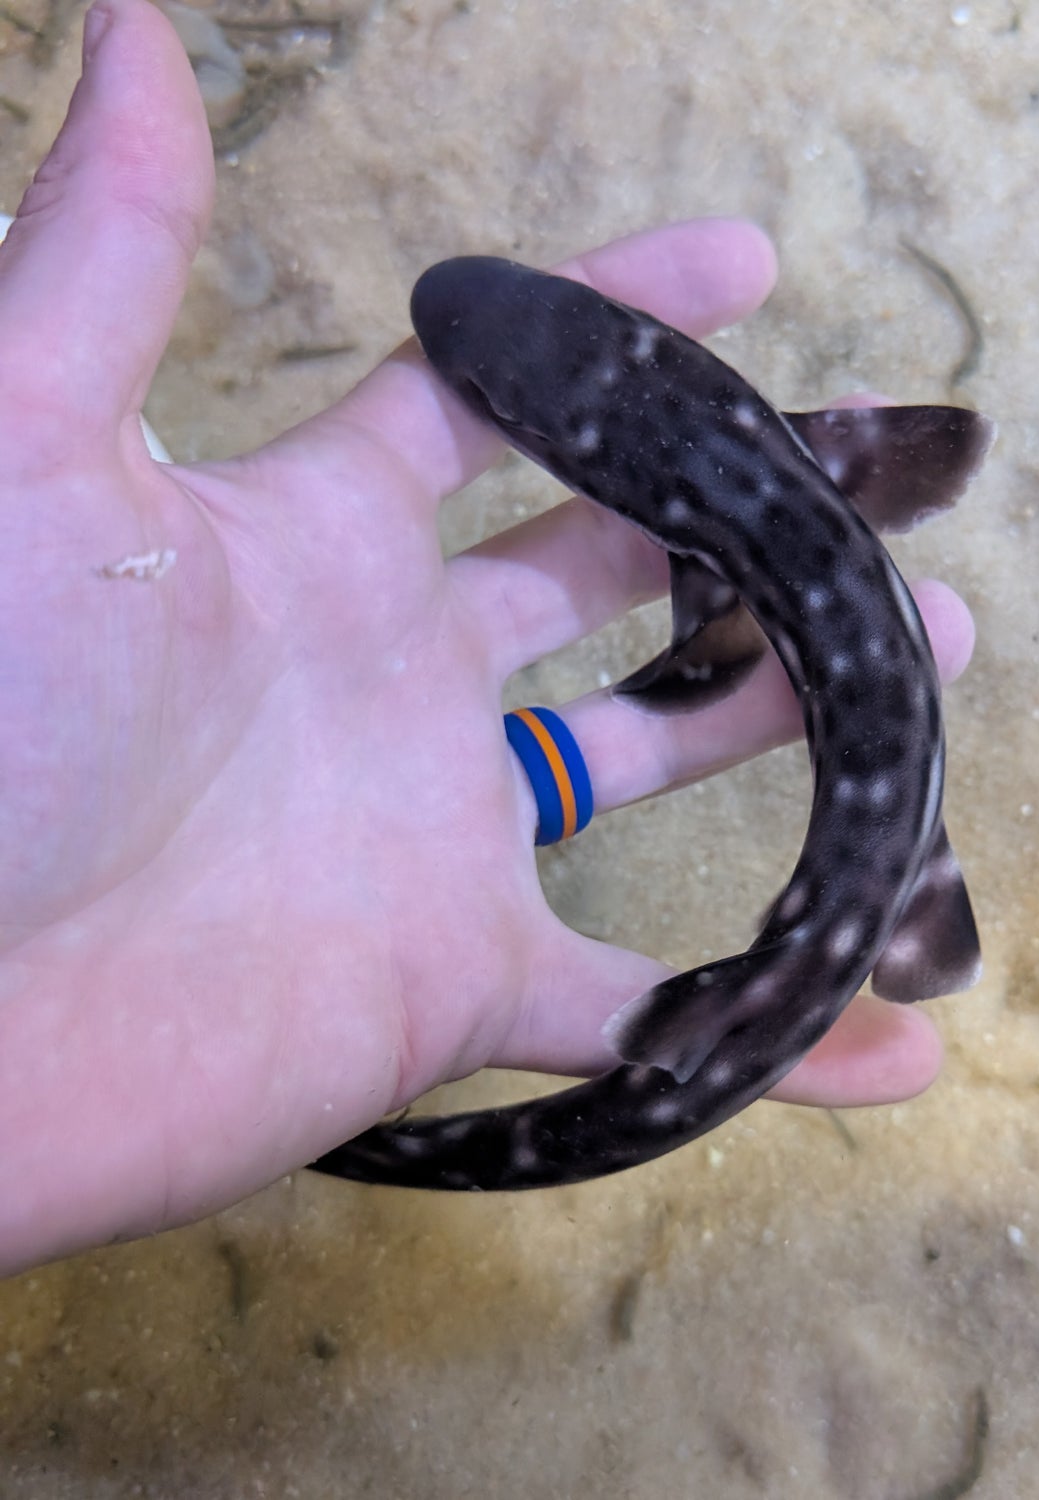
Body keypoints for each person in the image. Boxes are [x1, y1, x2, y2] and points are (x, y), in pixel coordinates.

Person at [0, 0, 976, 1276]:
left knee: (834, 875)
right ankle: (883, 903)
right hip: (825, 654)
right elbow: (933, 457)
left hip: (835, 745)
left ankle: (876, 906)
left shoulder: (703, 545)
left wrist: (707, 652)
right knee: (844, 839)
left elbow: (736, 629)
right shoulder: (775, 472)